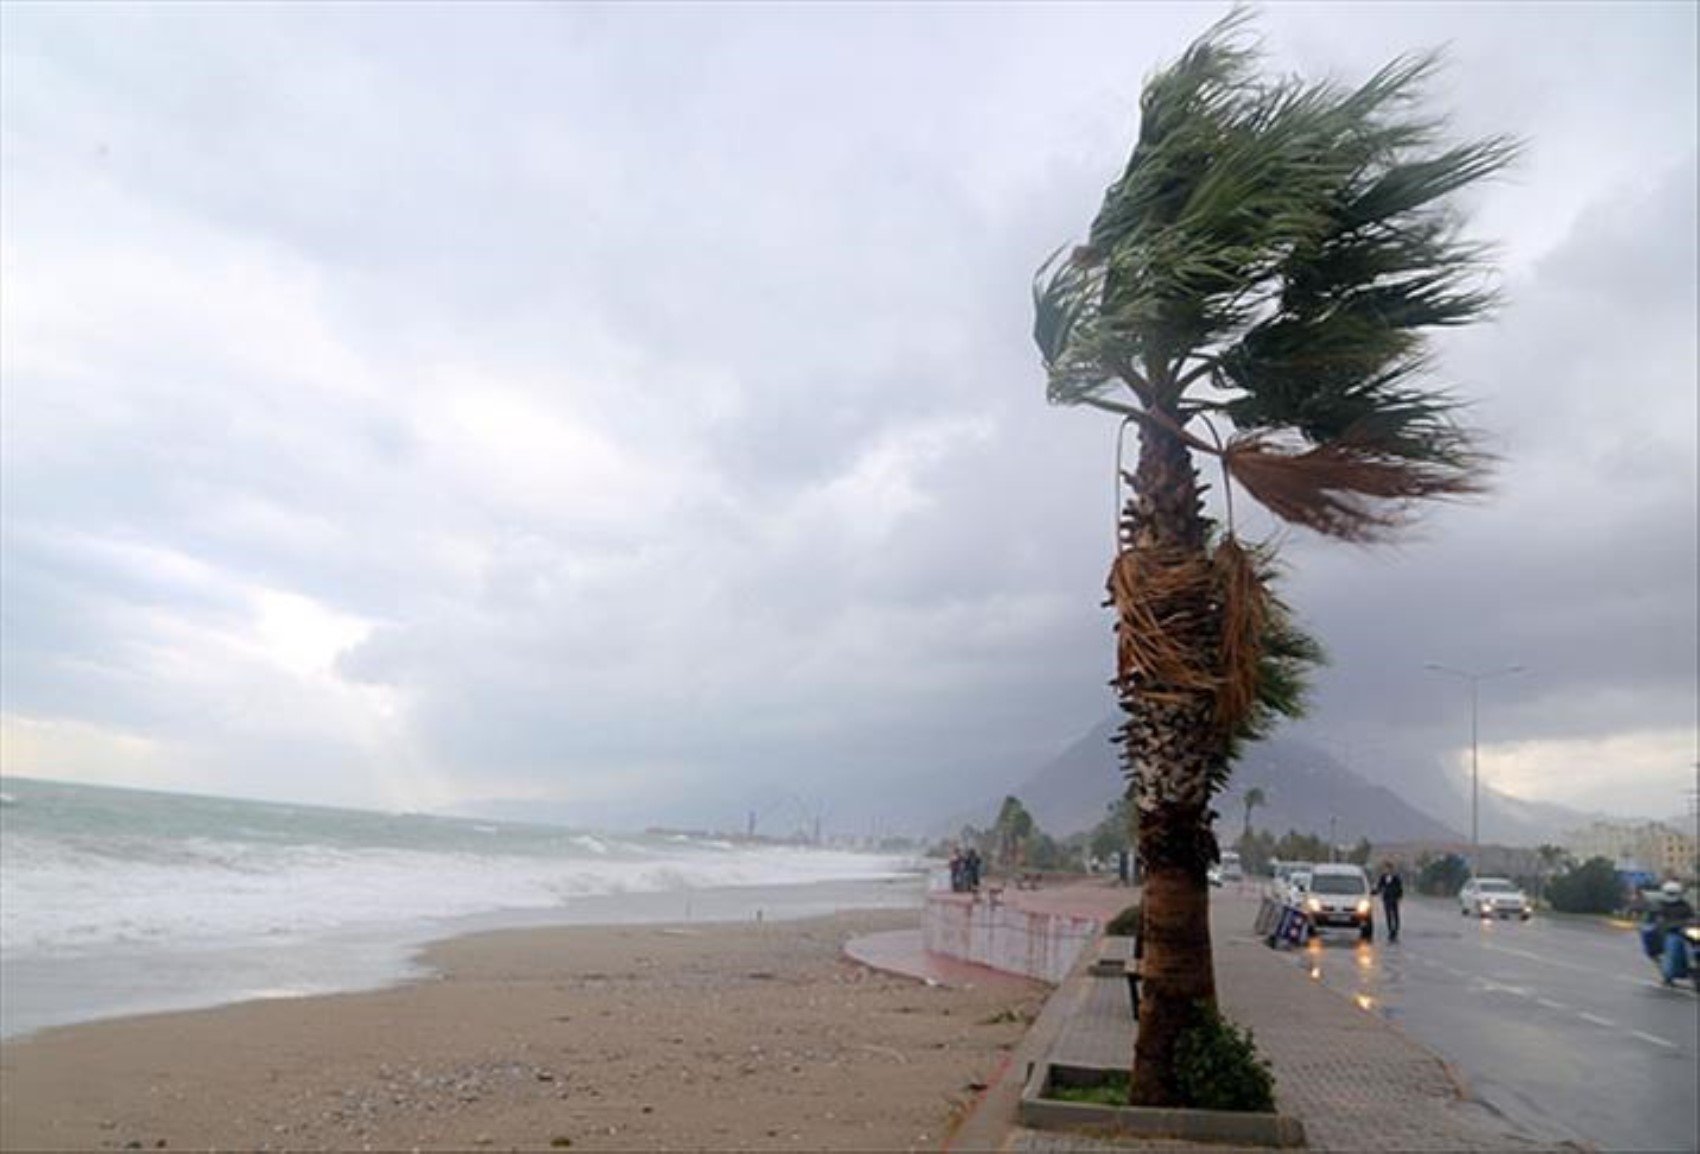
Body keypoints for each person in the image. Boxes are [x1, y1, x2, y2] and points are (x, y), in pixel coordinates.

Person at [1373, 863, 1405, 943]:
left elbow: (1400, 887)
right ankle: (1390, 931)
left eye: (1388, 869)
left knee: (1395, 915)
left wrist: (1399, 897)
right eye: (1385, 869)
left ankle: (1395, 931)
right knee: (1388, 915)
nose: (1386, 870)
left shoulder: (1396, 877)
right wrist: (1374, 892)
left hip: (1394, 898)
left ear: (1391, 869)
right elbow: (1379, 887)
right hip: (1386, 899)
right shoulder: (1383, 877)